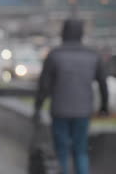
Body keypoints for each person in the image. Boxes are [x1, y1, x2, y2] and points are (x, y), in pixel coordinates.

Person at [33, 18, 109, 174]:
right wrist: (104, 107)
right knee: (81, 150)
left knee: (61, 151)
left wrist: (38, 108)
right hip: (83, 111)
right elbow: (103, 83)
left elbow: (44, 86)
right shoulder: (92, 56)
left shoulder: (55, 55)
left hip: (60, 110)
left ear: (63, 33)